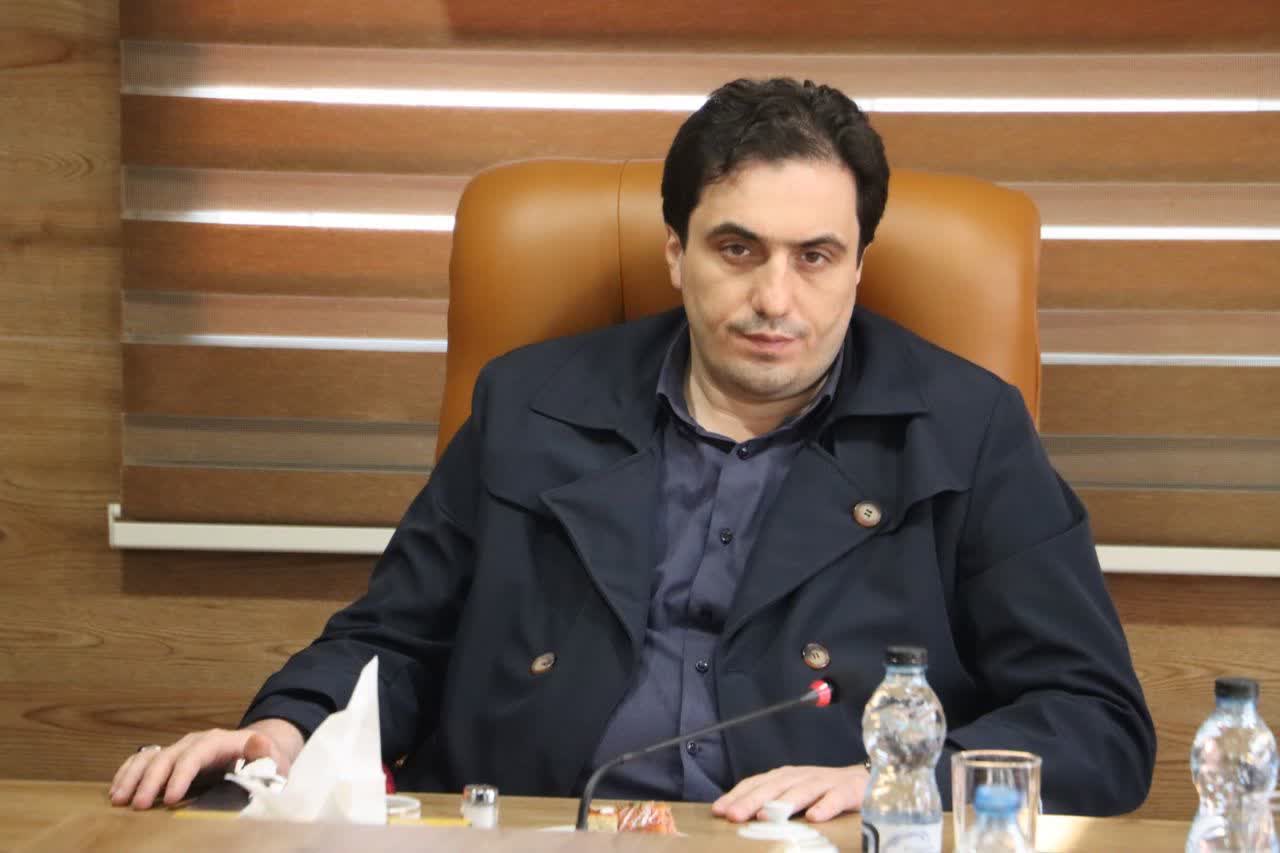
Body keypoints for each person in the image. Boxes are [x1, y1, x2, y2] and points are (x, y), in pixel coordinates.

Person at [110, 77, 1155, 822]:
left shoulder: (965, 427)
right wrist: (285, 733)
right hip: (536, 829)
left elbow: (1097, 722)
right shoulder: (530, 405)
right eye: (736, 248)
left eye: (814, 256)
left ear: (856, 268)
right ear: (674, 253)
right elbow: (396, 638)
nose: (774, 298)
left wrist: (898, 782)